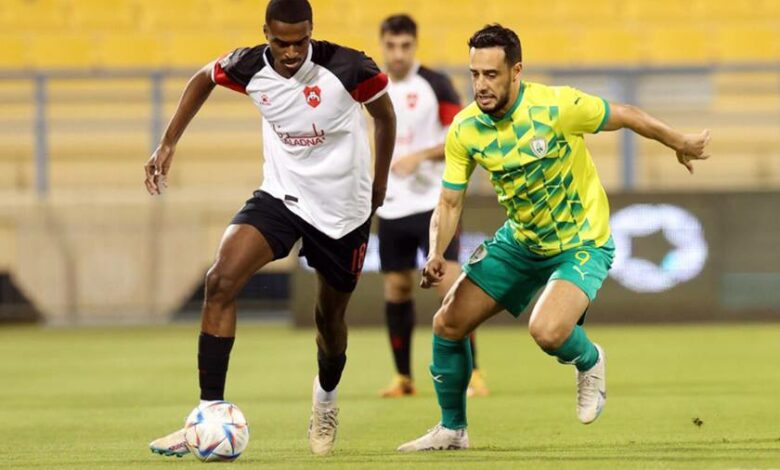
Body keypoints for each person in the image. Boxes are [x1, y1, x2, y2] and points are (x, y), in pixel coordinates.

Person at [397, 24, 710, 451]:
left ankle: (589, 359)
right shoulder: (466, 129)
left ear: (516, 72)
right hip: (521, 242)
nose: (481, 85)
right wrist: (436, 251)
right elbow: (450, 202)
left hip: (582, 242)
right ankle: (453, 430)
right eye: (475, 74)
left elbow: (626, 114)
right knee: (448, 323)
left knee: (546, 331)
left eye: (491, 74)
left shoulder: (556, 106)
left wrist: (679, 141)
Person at [145, 0, 396, 457]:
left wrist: (378, 185)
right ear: (266, 34)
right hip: (282, 195)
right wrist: (168, 143)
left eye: (301, 41)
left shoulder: (349, 67)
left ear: (311, 31)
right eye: (282, 43)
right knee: (220, 280)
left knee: (329, 322)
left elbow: (385, 117)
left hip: (343, 210)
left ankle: (325, 398)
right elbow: (203, 78)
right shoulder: (248, 65)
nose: (292, 52)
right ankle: (208, 415)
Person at [375, 14, 489, 399]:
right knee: (396, 287)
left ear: (415, 45)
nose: (398, 54)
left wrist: (420, 156)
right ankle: (403, 378)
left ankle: (473, 373)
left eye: (405, 46)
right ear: (382, 45)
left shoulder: (435, 84)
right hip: (391, 205)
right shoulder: (373, 87)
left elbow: (463, 136)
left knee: (450, 285)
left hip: (433, 203)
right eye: (391, 46)